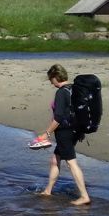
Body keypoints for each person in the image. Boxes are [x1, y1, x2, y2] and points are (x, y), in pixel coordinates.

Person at [33, 64, 91, 205]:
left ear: (55, 77)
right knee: (55, 160)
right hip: (75, 130)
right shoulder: (74, 89)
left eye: (50, 79)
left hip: (65, 132)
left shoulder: (61, 92)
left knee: (71, 163)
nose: (50, 82)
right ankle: (48, 190)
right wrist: (81, 131)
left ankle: (84, 196)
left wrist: (47, 134)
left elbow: (58, 117)